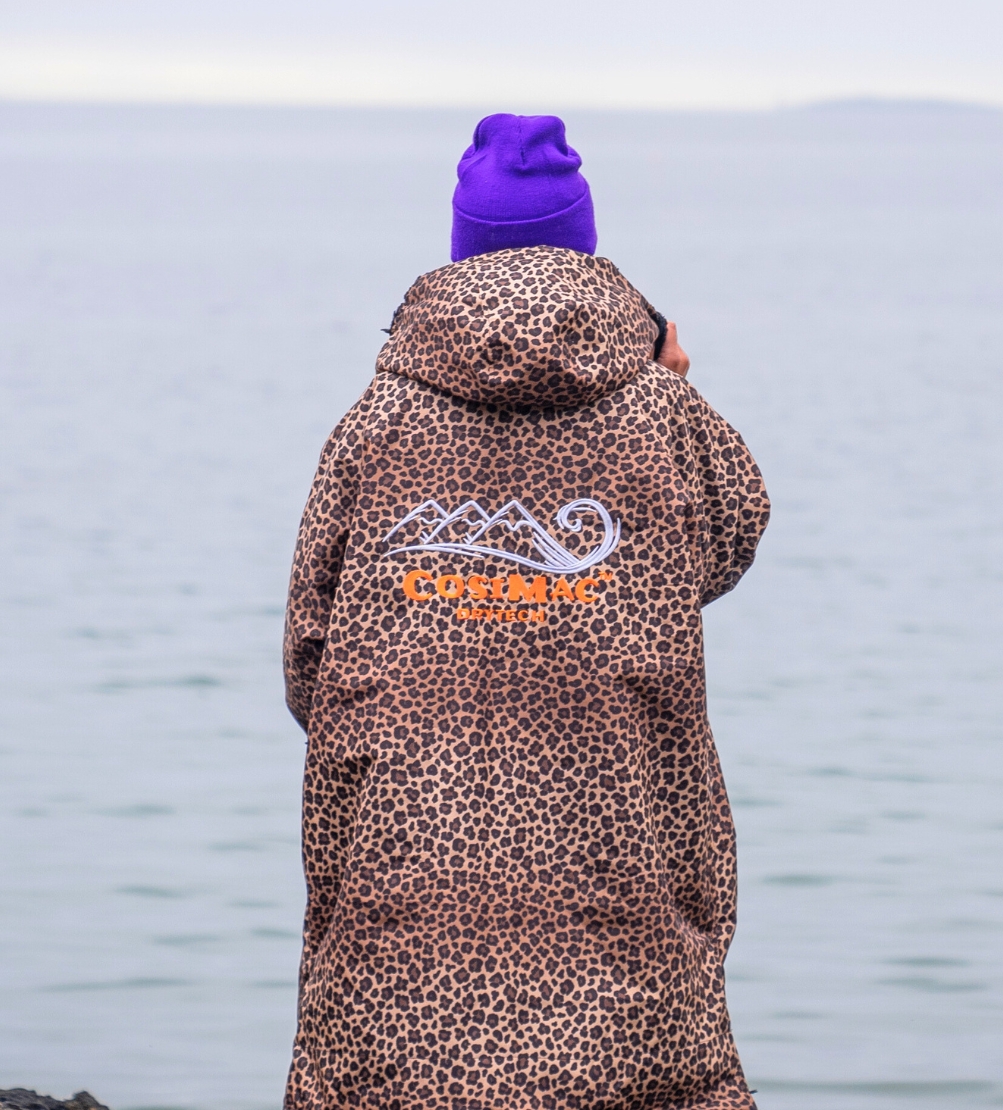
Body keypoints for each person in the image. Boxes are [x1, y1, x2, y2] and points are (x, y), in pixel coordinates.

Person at [282, 114, 770, 1110]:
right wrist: (676, 388)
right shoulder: (660, 414)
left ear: (462, 246)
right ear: (583, 242)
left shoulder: (377, 422)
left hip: (405, 896)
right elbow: (723, 546)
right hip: (619, 870)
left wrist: (450, 628)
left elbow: (309, 660)